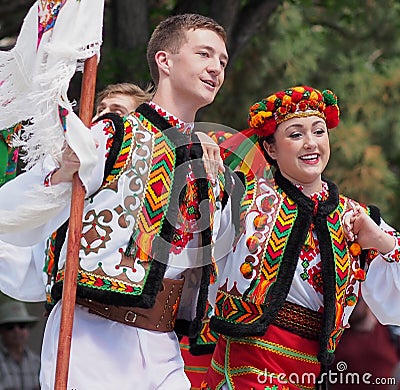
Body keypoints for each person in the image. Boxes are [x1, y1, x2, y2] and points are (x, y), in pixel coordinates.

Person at [0, 13, 234, 389]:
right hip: (92, 335)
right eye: (204, 54)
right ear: (165, 61)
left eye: (222, 61)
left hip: (161, 343)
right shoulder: (114, 134)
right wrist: (60, 172)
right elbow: (25, 202)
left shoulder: (211, 162)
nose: (215, 68)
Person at [201, 85, 400, 389]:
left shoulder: (355, 217)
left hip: (307, 376)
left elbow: (393, 304)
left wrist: (382, 242)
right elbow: (189, 225)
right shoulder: (245, 199)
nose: (311, 143)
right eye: (295, 134)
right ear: (271, 148)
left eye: (319, 132)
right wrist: (196, 141)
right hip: (245, 368)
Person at [330, 296, 400, 389]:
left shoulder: (392, 332)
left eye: (355, 300)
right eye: (346, 303)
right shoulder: (334, 337)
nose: (351, 306)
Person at [0, 295, 40, 390]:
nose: (17, 331)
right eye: (10, 326)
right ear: (1, 331)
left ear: (28, 329)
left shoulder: (37, 363)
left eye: (22, 325)